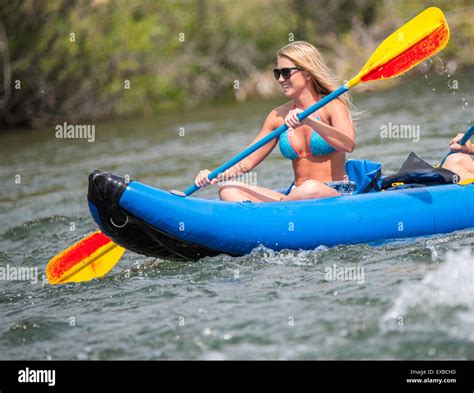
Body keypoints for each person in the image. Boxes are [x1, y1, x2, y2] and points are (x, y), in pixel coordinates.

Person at [194, 41, 355, 202]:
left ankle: (277, 213)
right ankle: (279, 214)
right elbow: (246, 161)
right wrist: (215, 176)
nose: (280, 79)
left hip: (334, 192)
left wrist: (311, 121)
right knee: (228, 190)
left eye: (286, 72)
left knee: (310, 187)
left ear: (307, 73)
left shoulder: (333, 105)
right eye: (277, 73)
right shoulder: (278, 116)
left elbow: (348, 144)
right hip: (296, 195)